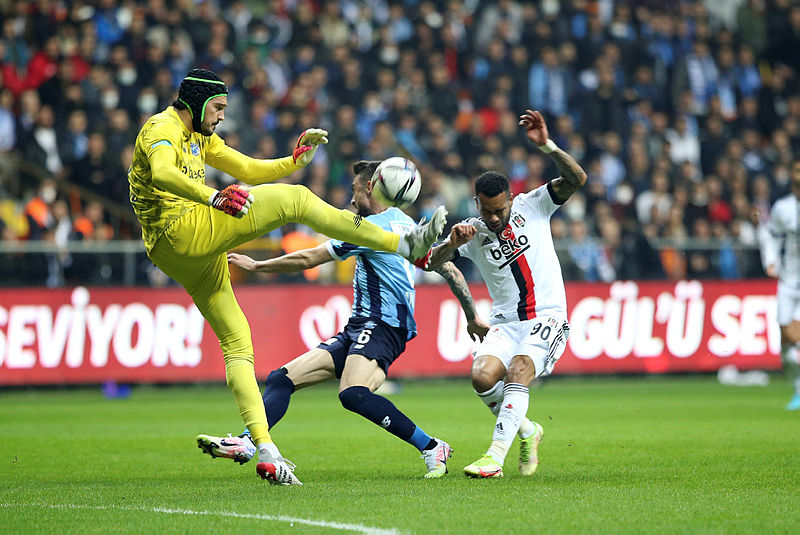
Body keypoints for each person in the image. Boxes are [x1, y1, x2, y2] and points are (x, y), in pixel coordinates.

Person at [127, 69, 447, 485]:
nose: (223, 115)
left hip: (186, 255)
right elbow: (163, 174)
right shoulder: (161, 128)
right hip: (181, 229)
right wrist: (214, 195)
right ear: (198, 102)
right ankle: (403, 244)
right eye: (219, 107)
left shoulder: (200, 137)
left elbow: (248, 169)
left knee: (238, 343)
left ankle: (260, 444)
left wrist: (294, 161)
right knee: (296, 200)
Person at [196, 159, 490, 478]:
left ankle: (433, 447)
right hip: (361, 327)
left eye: (354, 190)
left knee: (353, 393)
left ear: (369, 187)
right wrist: (472, 315)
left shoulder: (368, 228)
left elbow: (310, 257)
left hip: (383, 326)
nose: (350, 200)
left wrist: (257, 267)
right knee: (282, 378)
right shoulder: (404, 225)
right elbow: (446, 267)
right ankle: (247, 441)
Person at [425, 110, 587, 478]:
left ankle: (494, 458)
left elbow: (577, 178)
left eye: (500, 210)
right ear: (476, 202)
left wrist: (546, 145)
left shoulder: (535, 204)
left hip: (547, 316)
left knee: (518, 371)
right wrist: (451, 243)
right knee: (482, 378)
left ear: (511, 198)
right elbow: (432, 262)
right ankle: (528, 430)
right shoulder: (471, 231)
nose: (494, 218)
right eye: (487, 210)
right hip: (505, 322)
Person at [758, 160, 800, 410]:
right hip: (787, 280)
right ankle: (798, 391)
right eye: (796, 170)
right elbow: (769, 234)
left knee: (796, 334)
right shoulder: (782, 208)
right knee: (786, 342)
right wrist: (770, 259)